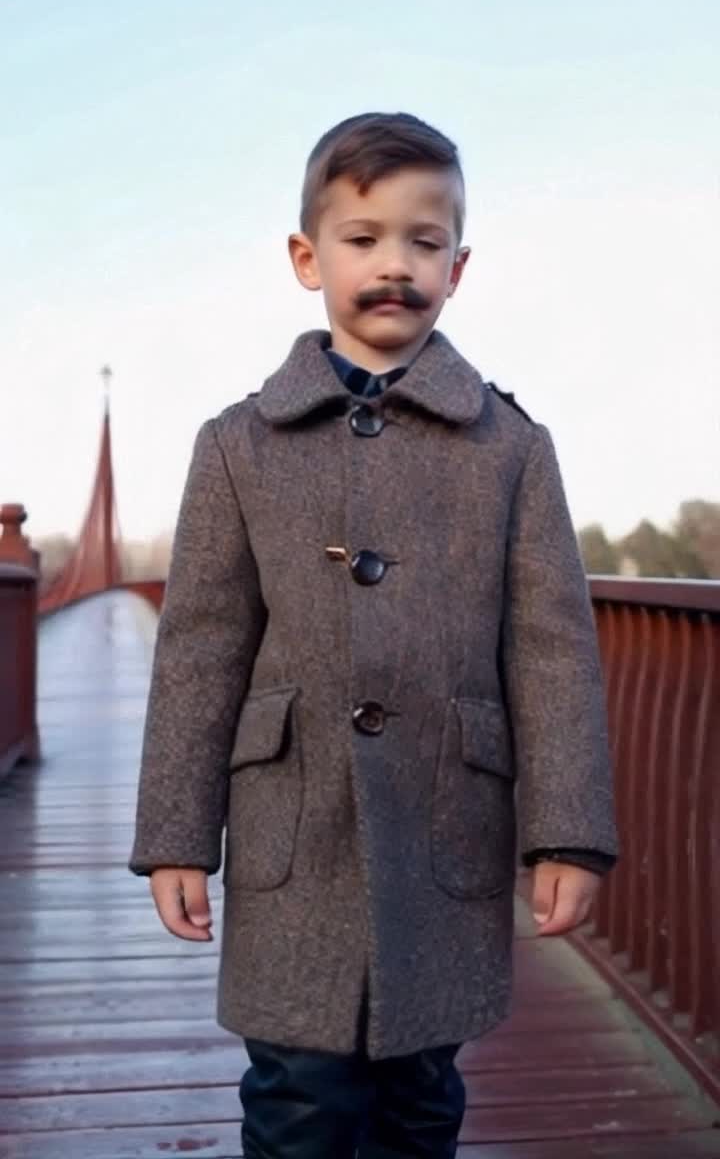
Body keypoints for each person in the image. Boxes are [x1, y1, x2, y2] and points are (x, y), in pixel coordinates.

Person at [129, 111, 618, 1158]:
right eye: (362, 238)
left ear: (459, 264)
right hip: (289, 826)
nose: (394, 263)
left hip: (445, 819)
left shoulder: (512, 447)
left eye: (423, 240)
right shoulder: (238, 444)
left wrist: (568, 830)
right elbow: (201, 649)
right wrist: (176, 831)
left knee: (420, 1094)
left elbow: (553, 647)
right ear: (308, 257)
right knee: (298, 1093)